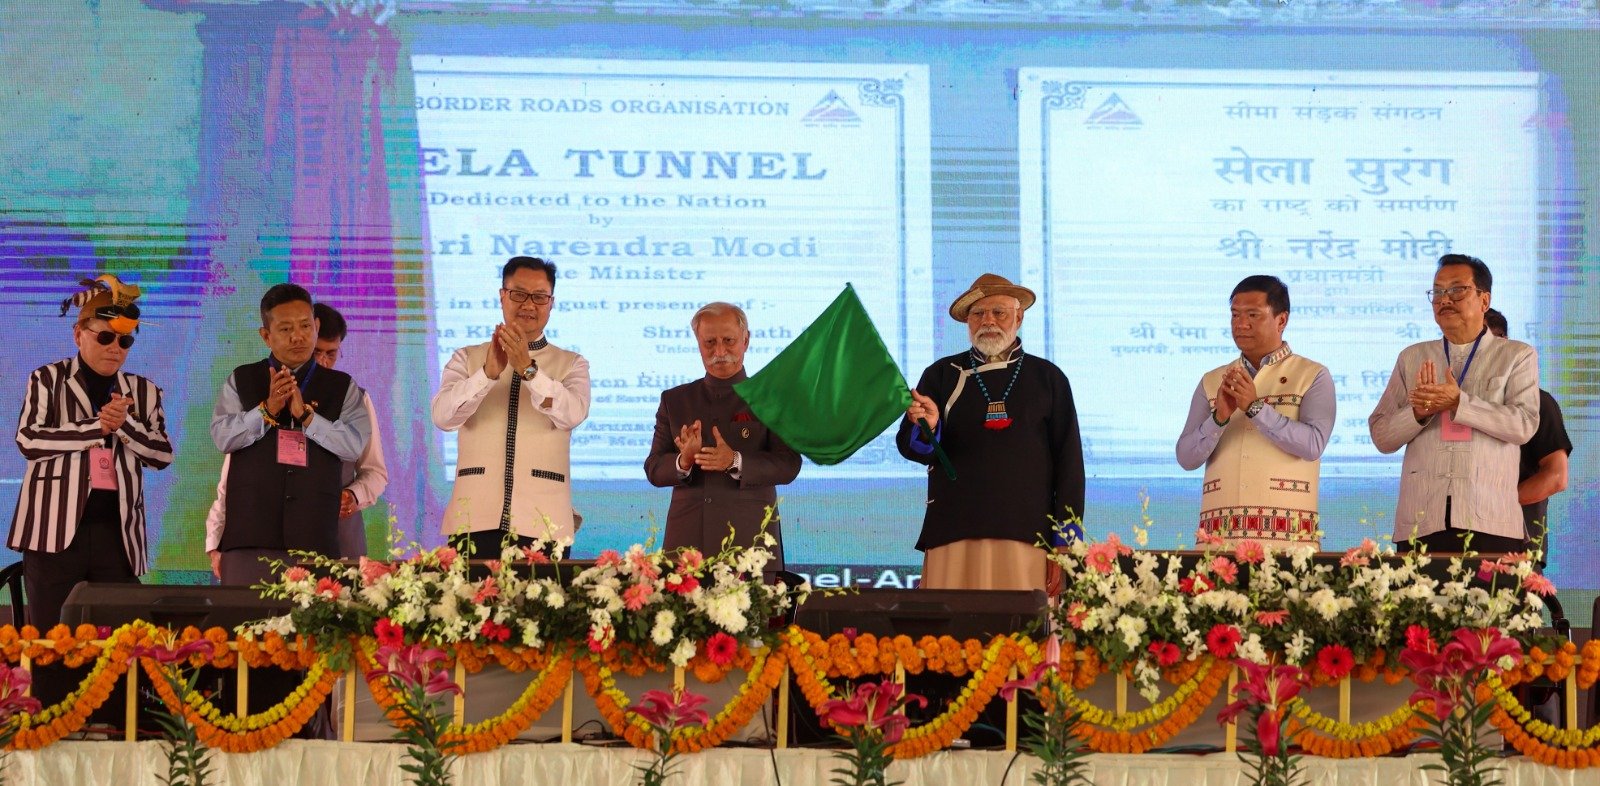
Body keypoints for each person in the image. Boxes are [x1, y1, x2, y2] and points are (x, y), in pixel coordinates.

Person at [895, 273, 1084, 593]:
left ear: (1019, 318)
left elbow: (1070, 465)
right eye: (978, 313)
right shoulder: (941, 374)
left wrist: (1065, 544)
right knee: (950, 623)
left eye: (999, 312)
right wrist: (929, 426)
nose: (988, 321)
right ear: (967, 322)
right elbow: (911, 447)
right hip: (953, 531)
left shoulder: (1048, 378)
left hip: (1028, 534)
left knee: (1023, 625)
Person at [9, 275, 173, 629]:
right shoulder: (47, 379)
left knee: (122, 641)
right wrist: (95, 428)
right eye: (105, 337)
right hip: (52, 532)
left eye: (125, 340)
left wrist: (125, 425)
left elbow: (162, 455)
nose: (116, 348)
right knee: (51, 639)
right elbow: (29, 440)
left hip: (117, 532)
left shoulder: (144, 391)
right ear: (78, 334)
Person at [1369, 254, 1538, 553]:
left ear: (1484, 300)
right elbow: (1382, 436)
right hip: (1421, 520)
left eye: (1457, 290)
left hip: (1491, 518)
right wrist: (1418, 413)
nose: (1444, 300)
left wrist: (1460, 403)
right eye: (1437, 292)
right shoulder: (1412, 357)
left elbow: (1523, 425)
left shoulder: (1516, 355)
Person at [204, 303, 388, 576]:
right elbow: (231, 473)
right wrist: (214, 537)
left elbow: (374, 471)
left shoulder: (353, 397)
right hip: (261, 538)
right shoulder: (256, 387)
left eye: (331, 353)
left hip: (336, 533)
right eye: (317, 352)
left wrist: (354, 495)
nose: (322, 361)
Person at [431, 256, 590, 558]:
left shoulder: (571, 364)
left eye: (539, 297)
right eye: (519, 294)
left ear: (551, 303)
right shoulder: (467, 357)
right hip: (474, 517)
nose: (529, 305)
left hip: (544, 521)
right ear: (502, 295)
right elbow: (443, 417)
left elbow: (572, 414)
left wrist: (529, 371)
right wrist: (486, 375)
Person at [1175, 276, 1334, 549]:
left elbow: (1312, 445)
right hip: (1219, 547)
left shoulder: (1312, 375)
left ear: (1281, 320)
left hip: (1287, 547)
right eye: (1235, 315)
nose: (1241, 324)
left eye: (1252, 315)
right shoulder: (1212, 381)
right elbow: (1186, 458)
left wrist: (1255, 408)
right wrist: (1218, 419)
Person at [644, 302, 802, 567]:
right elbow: (654, 468)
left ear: (745, 340)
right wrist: (684, 461)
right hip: (686, 542)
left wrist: (735, 461)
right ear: (698, 344)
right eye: (709, 342)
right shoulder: (675, 400)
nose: (719, 352)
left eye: (728, 341)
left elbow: (789, 465)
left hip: (750, 542)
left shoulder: (771, 399)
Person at [1484, 308, 1570, 562]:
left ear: (1503, 342)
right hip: (1460, 547)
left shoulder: (1538, 402)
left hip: (1517, 549)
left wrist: (1488, 506)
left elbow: (1556, 477)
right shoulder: (1456, 406)